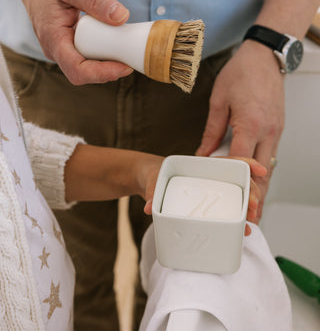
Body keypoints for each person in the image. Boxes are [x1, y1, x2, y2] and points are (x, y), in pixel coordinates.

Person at [0, 0, 319, 329]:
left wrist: (272, 44)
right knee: (67, 279)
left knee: (191, 282)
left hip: (222, 78)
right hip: (46, 72)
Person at [0, 42, 264, 330]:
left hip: (197, 73)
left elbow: (12, 155)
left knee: (160, 279)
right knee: (88, 283)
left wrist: (140, 171)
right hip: (48, 69)